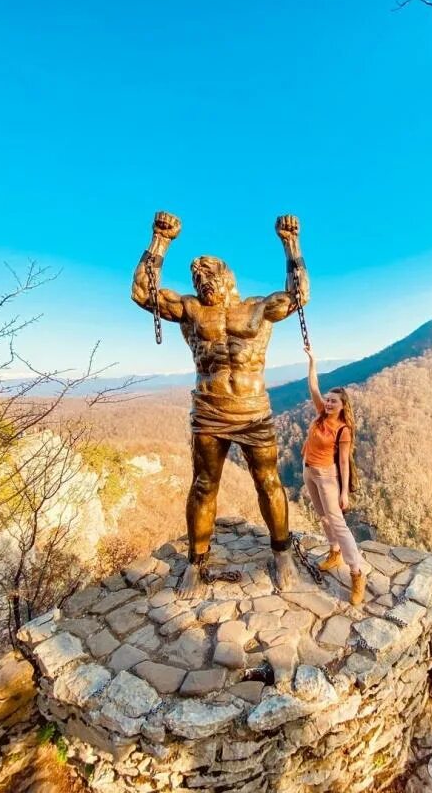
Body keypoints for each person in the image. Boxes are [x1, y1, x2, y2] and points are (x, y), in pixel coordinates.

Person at [131, 211, 309, 597]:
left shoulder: (259, 307)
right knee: (203, 486)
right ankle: (196, 563)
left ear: (228, 277)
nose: (202, 280)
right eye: (197, 277)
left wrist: (291, 244)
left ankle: (282, 554)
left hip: (253, 410)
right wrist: (160, 241)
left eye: (209, 274)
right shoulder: (192, 310)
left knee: (269, 481)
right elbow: (143, 294)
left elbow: (299, 296)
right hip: (209, 412)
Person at [302, 346, 365, 605]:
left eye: (333, 401)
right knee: (322, 517)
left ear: (342, 406)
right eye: (327, 399)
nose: (328, 403)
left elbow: (343, 462)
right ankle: (334, 552)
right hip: (309, 471)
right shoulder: (320, 415)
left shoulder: (343, 430)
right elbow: (313, 386)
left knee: (338, 523)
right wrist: (312, 360)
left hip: (327, 476)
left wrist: (342, 492)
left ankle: (356, 571)